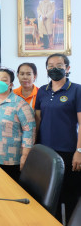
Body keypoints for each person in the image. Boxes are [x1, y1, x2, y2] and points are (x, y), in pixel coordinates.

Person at [35, 53, 81, 221]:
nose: (55, 68)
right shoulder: (42, 91)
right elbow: (38, 120)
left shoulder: (76, 90)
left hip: (69, 151)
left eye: (59, 65)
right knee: (47, 195)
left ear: (67, 68)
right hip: (45, 152)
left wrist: (79, 151)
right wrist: (33, 146)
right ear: (46, 69)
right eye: (51, 65)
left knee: (69, 195)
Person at [0, 68, 35, 182]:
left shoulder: (20, 104)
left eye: (4, 80)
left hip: (10, 161)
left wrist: (25, 156)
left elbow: (30, 130)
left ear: (11, 85)